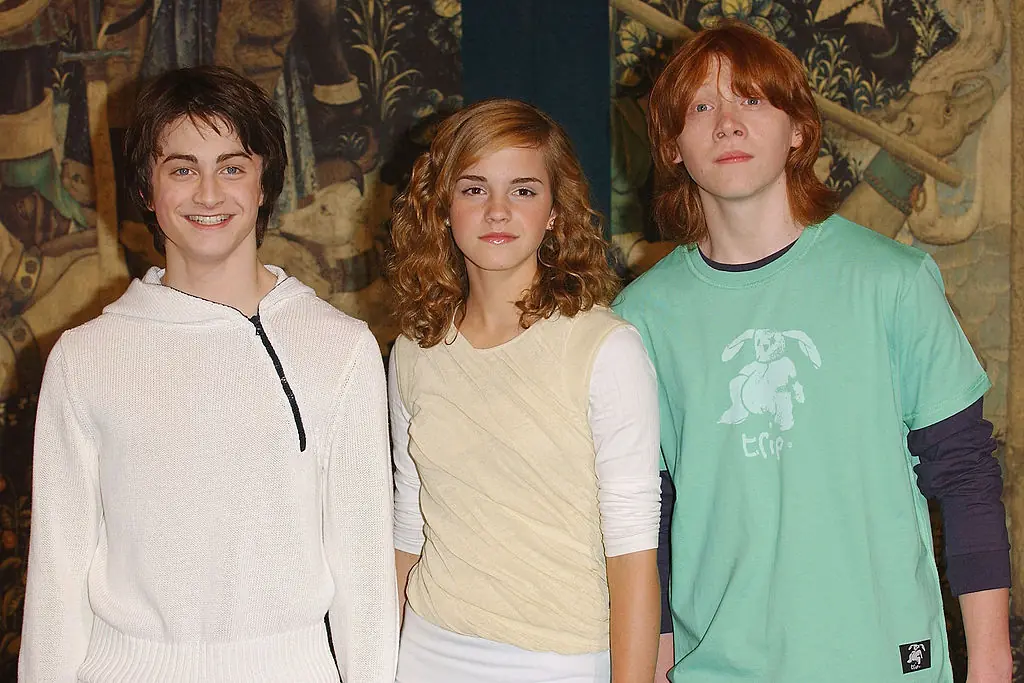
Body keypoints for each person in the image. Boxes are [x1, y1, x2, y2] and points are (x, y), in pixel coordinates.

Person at [613, 20, 1012, 683]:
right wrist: (653, 659)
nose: (727, 124)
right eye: (702, 107)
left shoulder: (893, 281)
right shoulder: (639, 320)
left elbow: (966, 473)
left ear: (798, 130)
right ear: (673, 145)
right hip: (715, 665)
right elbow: (646, 510)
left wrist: (993, 663)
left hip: (882, 659)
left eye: (751, 99)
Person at [18, 65, 398, 682]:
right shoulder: (85, 358)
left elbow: (365, 570)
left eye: (231, 166)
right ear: (147, 186)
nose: (208, 194)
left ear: (263, 181)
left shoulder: (340, 348)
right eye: (182, 169)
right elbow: (56, 579)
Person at [386, 98, 662, 683]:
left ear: (554, 212)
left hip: (560, 657)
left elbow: (634, 546)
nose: (496, 212)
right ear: (442, 206)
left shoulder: (606, 348)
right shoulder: (415, 349)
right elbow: (409, 525)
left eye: (523, 190)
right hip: (427, 650)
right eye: (473, 188)